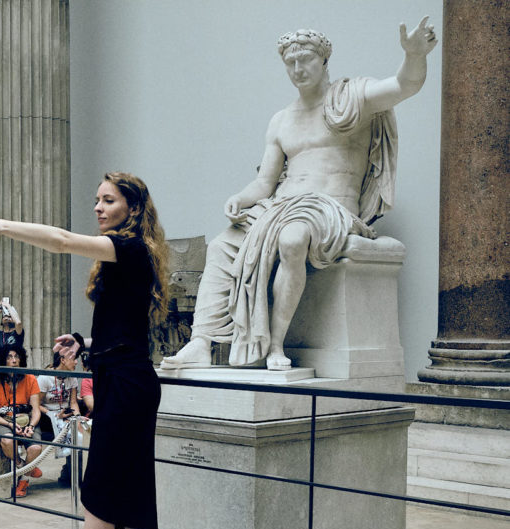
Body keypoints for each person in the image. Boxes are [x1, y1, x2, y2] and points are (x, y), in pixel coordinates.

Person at [162, 19, 438, 371]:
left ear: (324, 60)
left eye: (305, 59)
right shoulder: (281, 120)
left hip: (331, 208)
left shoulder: (352, 97)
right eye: (289, 63)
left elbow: (404, 84)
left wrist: (414, 55)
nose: (297, 69)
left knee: (293, 239)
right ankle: (201, 341)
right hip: (280, 206)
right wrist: (240, 199)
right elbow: (265, 182)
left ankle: (275, 345)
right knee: (221, 246)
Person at [0, 171, 170, 529]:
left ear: (133, 209)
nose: (99, 208)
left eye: (109, 201)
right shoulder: (133, 256)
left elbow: (59, 241)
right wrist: (85, 342)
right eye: (97, 200)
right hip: (130, 378)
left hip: (124, 384)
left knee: (98, 489)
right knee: (137, 494)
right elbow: (125, 327)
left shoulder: (131, 248)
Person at [0, 343, 43, 498]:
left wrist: (31, 426)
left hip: (26, 420)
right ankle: (23, 466)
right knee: (8, 440)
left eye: (16, 356)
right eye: (9, 357)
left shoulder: (30, 379)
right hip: (1, 421)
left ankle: (23, 481)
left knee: (36, 448)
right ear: (3, 360)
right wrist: (10, 424)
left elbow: (36, 410)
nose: (14, 360)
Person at [37, 351, 80, 486]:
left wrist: (78, 418)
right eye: (73, 358)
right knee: (69, 432)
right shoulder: (45, 378)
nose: (76, 362)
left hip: (66, 414)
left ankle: (74, 473)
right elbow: (36, 404)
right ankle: (70, 473)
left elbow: (73, 402)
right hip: (47, 416)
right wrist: (55, 415)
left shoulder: (72, 378)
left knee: (80, 433)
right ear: (62, 359)